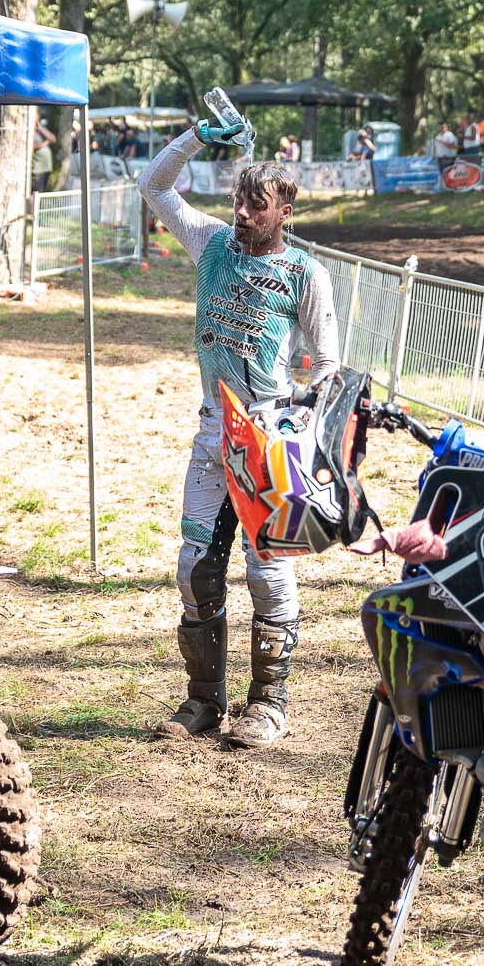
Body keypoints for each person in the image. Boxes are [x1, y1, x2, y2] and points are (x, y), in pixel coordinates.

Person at [137, 114, 339, 747]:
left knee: (267, 570)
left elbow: (328, 365)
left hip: (268, 438)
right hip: (211, 432)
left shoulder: (305, 274)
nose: (244, 213)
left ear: (285, 212)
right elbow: (154, 185)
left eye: (258, 204)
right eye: (239, 201)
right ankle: (203, 700)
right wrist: (199, 135)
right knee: (194, 567)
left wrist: (297, 427)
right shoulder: (211, 243)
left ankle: (269, 703)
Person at [31, 117, 55, 193]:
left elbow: (53, 139)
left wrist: (40, 128)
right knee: (35, 192)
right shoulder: (29, 134)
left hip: (46, 168)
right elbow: (35, 146)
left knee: (41, 191)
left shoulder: (40, 131)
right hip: (37, 170)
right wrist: (47, 142)